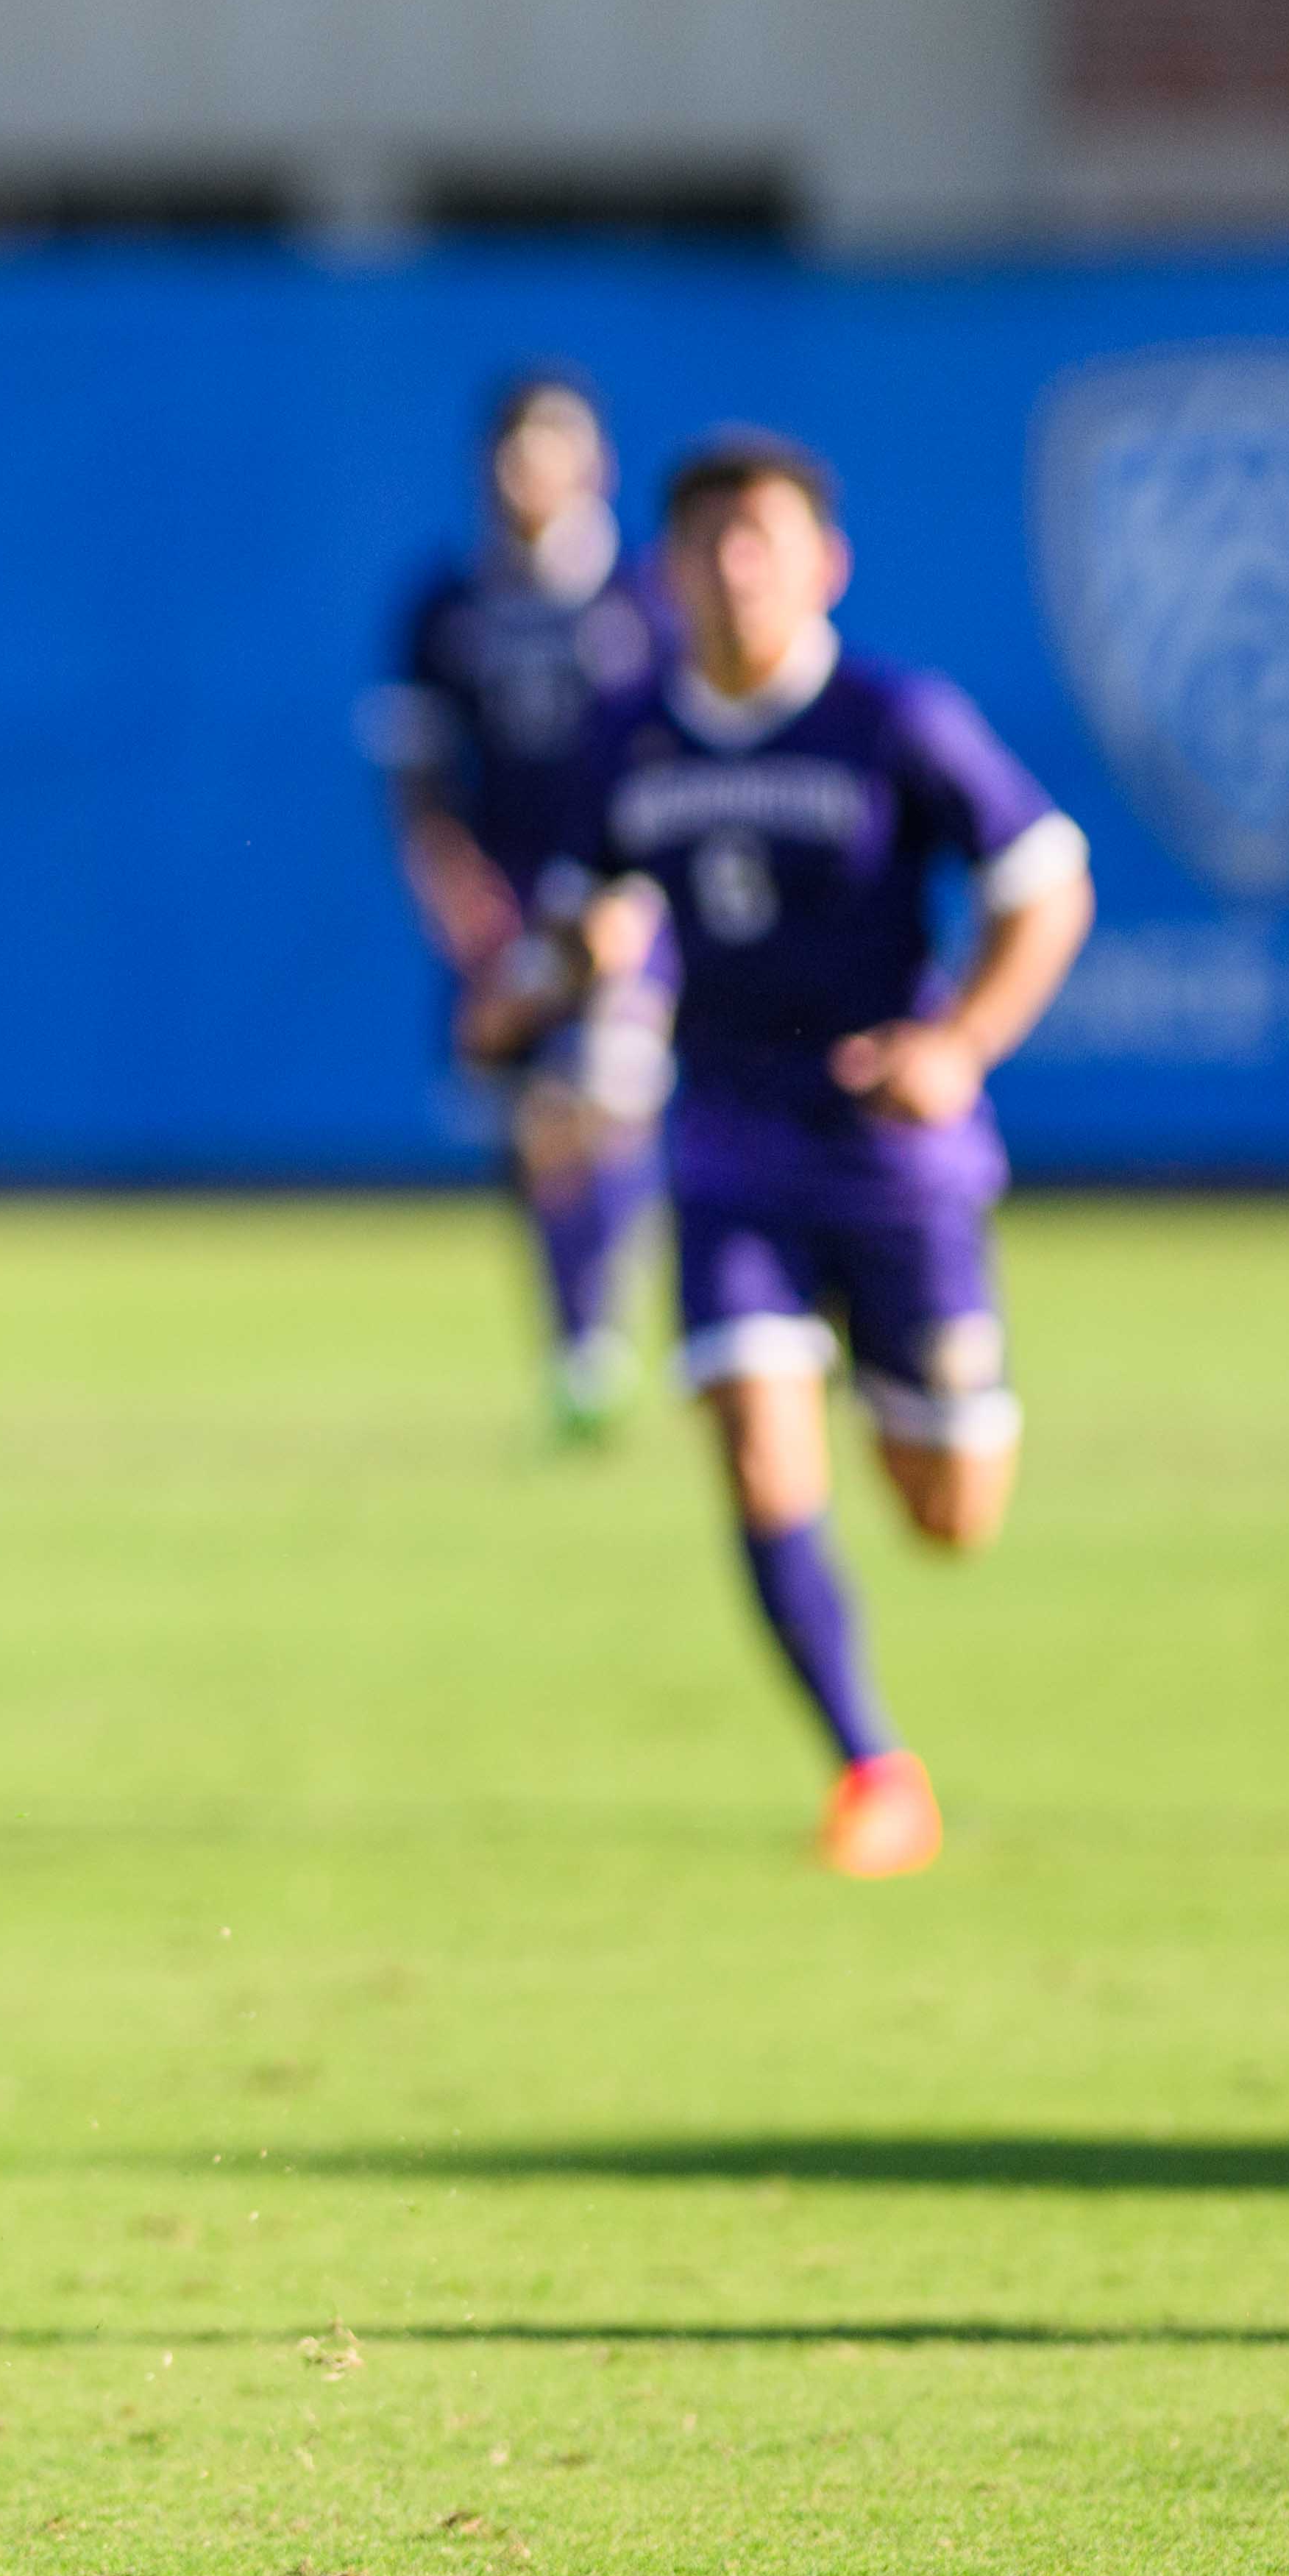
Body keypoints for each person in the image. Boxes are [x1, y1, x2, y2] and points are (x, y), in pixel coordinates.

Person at [478, 427, 1090, 1880]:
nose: (731, 564)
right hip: (730, 1144)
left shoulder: (894, 720)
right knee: (756, 1449)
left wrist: (956, 1045)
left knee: (946, 1515)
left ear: (824, 562)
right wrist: (547, 997)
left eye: (759, 536)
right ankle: (872, 1769)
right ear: (665, 569)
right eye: (702, 540)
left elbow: (1044, 885)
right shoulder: (626, 731)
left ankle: (926, 1409)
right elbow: (586, 914)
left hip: (892, 1158)